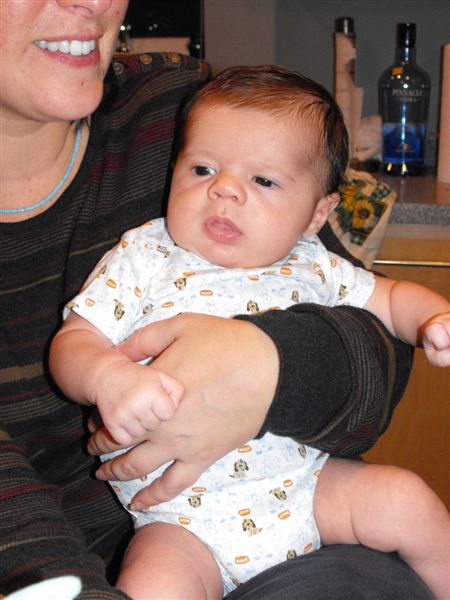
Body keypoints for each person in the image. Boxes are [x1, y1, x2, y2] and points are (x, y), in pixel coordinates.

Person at [0, 1, 435, 599]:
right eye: (202, 170)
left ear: (317, 214)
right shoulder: (146, 253)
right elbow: (76, 340)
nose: (226, 191)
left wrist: (429, 319)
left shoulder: (296, 239)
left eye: (262, 181)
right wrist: (108, 378)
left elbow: (385, 319)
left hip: (303, 490)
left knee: (407, 500)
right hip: (177, 522)